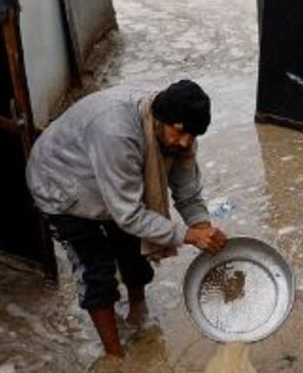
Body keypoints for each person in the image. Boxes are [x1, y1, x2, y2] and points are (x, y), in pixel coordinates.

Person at [25, 79, 227, 356]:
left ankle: (138, 311)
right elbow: (129, 215)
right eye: (180, 133)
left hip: (108, 178)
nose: (185, 142)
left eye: (193, 136)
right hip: (61, 183)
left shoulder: (181, 134)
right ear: (159, 118)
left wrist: (206, 232)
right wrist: (188, 235)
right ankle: (116, 356)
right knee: (96, 270)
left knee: (133, 250)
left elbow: (188, 193)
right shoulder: (117, 132)